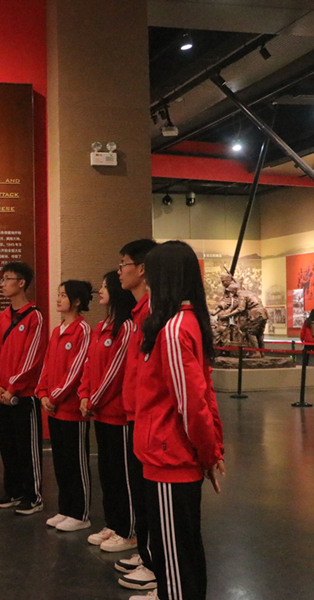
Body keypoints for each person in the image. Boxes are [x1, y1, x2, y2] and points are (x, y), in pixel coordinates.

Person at [133, 241, 225, 600]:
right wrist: (211, 450)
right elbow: (201, 395)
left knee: (175, 559)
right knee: (182, 551)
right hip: (171, 454)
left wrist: (209, 453)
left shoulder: (174, 330)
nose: (147, 280)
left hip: (169, 457)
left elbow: (192, 404)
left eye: (151, 273)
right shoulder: (185, 323)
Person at [78, 271, 137, 552]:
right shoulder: (102, 326)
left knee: (123, 474)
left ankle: (129, 531)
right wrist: (84, 394)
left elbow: (116, 371)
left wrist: (93, 399)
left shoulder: (126, 327)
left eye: (105, 286)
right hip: (100, 412)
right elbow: (89, 364)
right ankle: (113, 524)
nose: (100, 290)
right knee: (107, 472)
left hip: (117, 414)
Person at [116, 238, 159, 592]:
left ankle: (153, 560)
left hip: (146, 415)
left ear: (142, 269)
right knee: (138, 488)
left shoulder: (154, 313)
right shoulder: (138, 311)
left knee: (148, 493)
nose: (120, 271)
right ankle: (145, 553)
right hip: (133, 413)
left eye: (124, 264)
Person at [0, 261, 48, 515]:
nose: (3, 283)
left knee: (27, 448)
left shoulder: (35, 316)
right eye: (2, 279)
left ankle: (33, 496)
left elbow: (32, 358)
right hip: (3, 395)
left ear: (21, 283)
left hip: (24, 396)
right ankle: (12, 491)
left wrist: (12, 388)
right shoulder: (3, 316)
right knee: (8, 447)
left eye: (7, 279)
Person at [37, 280, 93, 530]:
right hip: (54, 409)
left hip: (71, 410)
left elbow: (76, 370)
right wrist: (43, 394)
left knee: (75, 463)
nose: (58, 299)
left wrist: (55, 396)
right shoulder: (58, 331)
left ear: (77, 301)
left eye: (63, 295)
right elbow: (47, 365)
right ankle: (65, 509)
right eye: (58, 294)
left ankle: (80, 514)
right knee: (60, 462)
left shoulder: (83, 330)